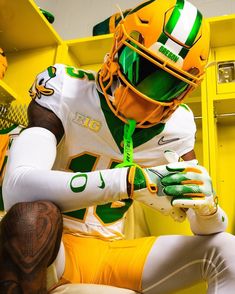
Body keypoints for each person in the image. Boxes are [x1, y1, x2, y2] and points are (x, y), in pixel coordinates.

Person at [1, 0, 235, 293]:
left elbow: (208, 230)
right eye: (139, 67)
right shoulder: (66, 88)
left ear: (186, 89)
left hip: (112, 253)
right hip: (53, 251)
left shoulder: (179, 126)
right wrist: (132, 181)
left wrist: (208, 207)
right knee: (32, 219)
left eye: (168, 84)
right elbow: (17, 189)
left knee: (227, 248)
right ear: (116, 47)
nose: (145, 91)